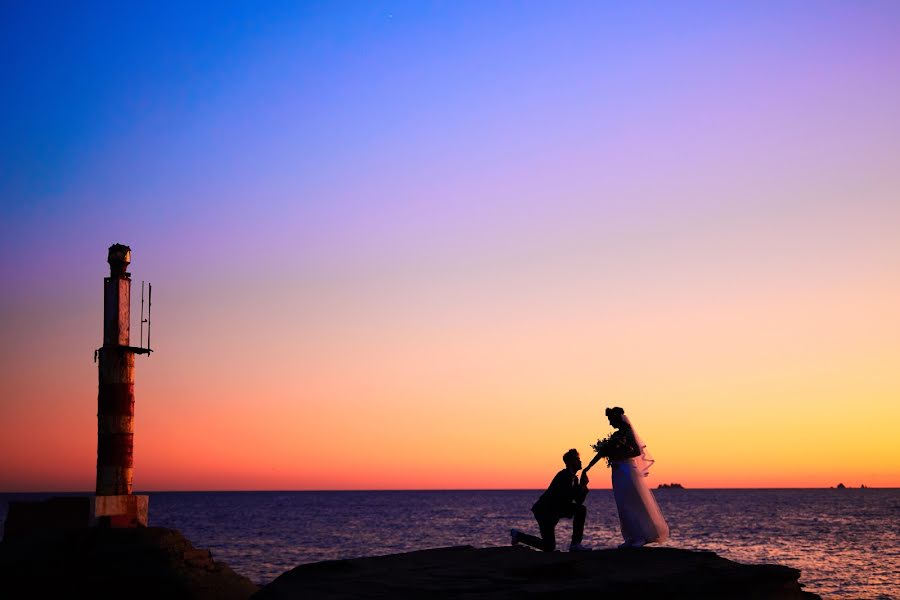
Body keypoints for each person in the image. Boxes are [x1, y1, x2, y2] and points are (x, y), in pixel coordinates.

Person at [584, 407, 669, 547]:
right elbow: (602, 452)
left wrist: (619, 455)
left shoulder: (628, 433)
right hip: (617, 471)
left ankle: (640, 537)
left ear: (617, 418)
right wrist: (588, 467)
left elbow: (636, 451)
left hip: (627, 471)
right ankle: (631, 537)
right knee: (622, 504)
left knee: (632, 502)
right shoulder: (616, 436)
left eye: (611, 420)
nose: (610, 424)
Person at [511, 448, 592, 552]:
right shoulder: (564, 475)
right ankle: (518, 536)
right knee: (549, 547)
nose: (580, 461)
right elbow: (566, 497)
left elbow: (578, 501)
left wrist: (583, 487)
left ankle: (575, 544)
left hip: (554, 510)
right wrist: (581, 487)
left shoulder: (574, 478)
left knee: (581, 509)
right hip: (544, 511)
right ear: (570, 462)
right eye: (577, 459)